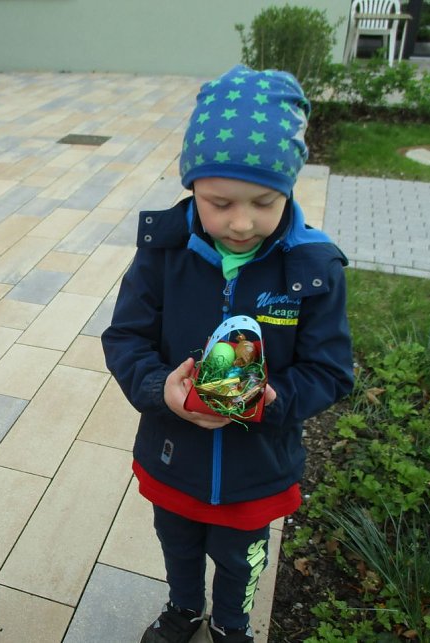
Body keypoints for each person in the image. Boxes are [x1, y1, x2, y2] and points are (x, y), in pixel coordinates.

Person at [101, 65, 353, 643]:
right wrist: (159, 387)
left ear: (290, 187)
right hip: (174, 453)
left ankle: (232, 624)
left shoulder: (311, 269)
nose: (242, 223)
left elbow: (331, 370)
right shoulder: (165, 252)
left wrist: (274, 400)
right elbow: (126, 338)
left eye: (264, 203)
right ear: (192, 186)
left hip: (256, 469)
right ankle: (184, 607)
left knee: (243, 559)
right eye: (220, 203)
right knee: (178, 542)